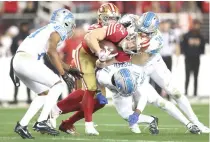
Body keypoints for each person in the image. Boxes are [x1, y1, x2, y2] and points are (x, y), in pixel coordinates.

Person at [10, 8, 83, 139]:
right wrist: (64, 74)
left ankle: (22, 124)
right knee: (58, 85)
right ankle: (42, 121)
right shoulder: (57, 29)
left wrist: (68, 69)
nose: (71, 27)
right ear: (65, 22)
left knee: (44, 94)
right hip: (27, 60)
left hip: (19, 60)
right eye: (70, 24)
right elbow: (51, 52)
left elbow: (51, 55)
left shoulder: (47, 29)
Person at [132, 12, 209, 133]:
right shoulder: (133, 24)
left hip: (153, 63)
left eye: (147, 31)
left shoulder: (157, 39)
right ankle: (134, 124)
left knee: (175, 93)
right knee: (135, 98)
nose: (143, 33)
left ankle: (196, 121)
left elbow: (142, 58)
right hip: (136, 66)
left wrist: (126, 53)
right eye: (141, 29)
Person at [180, 19, 205, 97]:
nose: (197, 26)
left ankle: (195, 93)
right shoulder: (187, 35)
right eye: (196, 24)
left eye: (198, 25)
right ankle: (186, 92)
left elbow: (203, 48)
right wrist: (187, 52)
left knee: (196, 77)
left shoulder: (200, 36)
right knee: (187, 76)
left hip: (196, 59)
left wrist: (197, 46)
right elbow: (183, 46)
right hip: (188, 58)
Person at [10, 22, 32, 104]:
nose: (25, 28)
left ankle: (29, 98)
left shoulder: (30, 37)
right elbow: (12, 48)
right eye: (24, 26)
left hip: (27, 61)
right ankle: (15, 98)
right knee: (17, 80)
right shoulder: (16, 37)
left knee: (28, 81)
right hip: (18, 61)